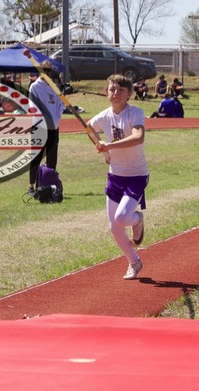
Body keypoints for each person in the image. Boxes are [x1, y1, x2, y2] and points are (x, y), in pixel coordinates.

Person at [87, 74, 148, 281]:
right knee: (114, 226)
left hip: (136, 174)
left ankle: (137, 218)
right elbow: (89, 127)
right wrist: (103, 150)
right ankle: (134, 262)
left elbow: (138, 137)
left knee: (122, 218)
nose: (115, 93)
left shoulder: (135, 113)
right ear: (107, 92)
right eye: (112, 89)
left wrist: (109, 146)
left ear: (129, 94)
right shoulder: (103, 116)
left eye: (121, 90)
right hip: (116, 175)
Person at [27, 61, 64, 195]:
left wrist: (57, 117)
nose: (47, 74)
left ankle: (49, 183)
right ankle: (32, 186)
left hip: (54, 127)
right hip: (40, 128)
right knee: (36, 157)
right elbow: (33, 106)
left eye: (49, 71)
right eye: (45, 71)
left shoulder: (55, 87)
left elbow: (61, 103)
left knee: (52, 157)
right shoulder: (35, 87)